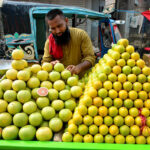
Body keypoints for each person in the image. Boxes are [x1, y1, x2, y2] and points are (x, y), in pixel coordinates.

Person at [42, 9, 95, 75]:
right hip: (59, 83)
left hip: (81, 81)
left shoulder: (81, 35)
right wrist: (50, 64)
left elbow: (90, 57)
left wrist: (78, 68)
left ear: (66, 21)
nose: (57, 31)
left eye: (59, 26)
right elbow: (45, 62)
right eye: (53, 28)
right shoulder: (49, 42)